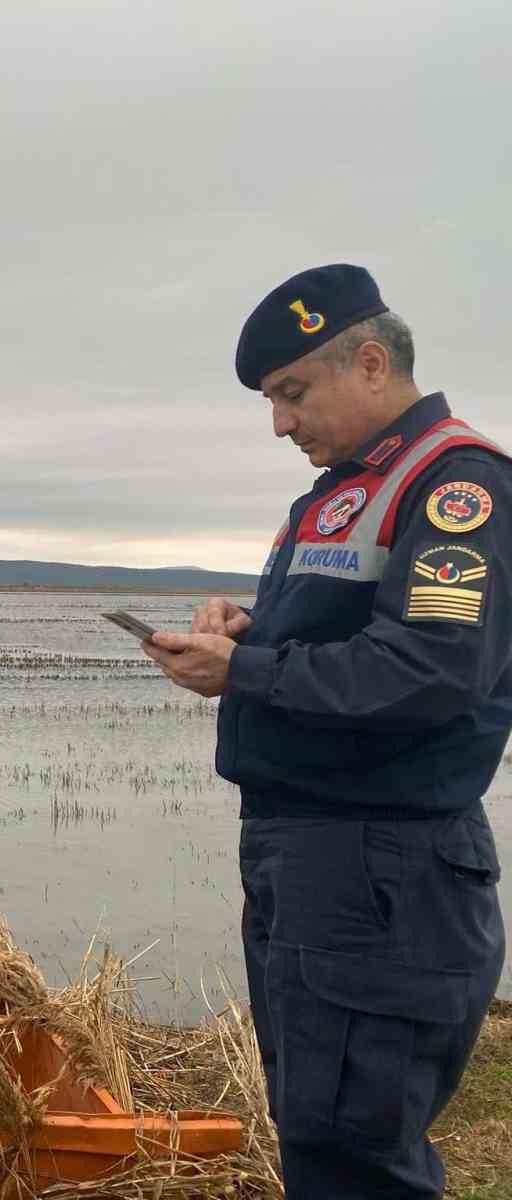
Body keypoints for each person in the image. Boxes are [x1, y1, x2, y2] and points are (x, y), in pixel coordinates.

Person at [143, 263, 507, 1198]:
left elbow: (431, 670)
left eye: (292, 393)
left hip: (379, 867)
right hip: (314, 860)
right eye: (272, 400)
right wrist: (252, 634)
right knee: (317, 1125)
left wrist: (246, 671)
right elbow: (347, 642)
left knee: (358, 1153)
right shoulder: (346, 489)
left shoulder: (456, 486)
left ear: (372, 363)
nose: (280, 423)